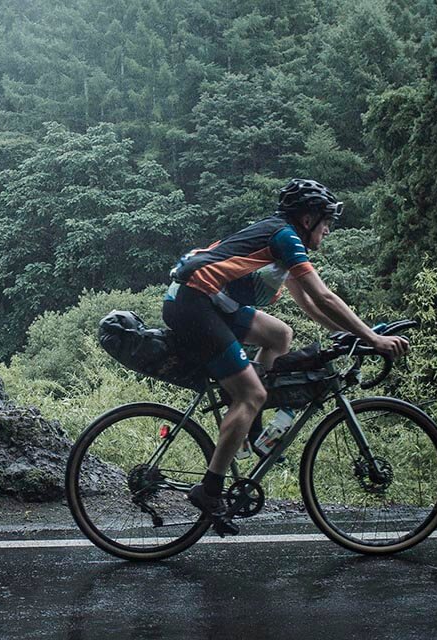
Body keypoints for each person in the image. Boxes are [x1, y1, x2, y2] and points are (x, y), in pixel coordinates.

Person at [162, 178, 409, 535]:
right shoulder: (285, 237)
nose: (328, 230)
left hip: (209, 300)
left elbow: (308, 303)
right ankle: (210, 490)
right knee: (251, 394)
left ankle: (247, 424)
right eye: (326, 222)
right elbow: (324, 297)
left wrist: (350, 334)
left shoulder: (282, 239)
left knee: (280, 335)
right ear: (308, 219)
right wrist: (372, 337)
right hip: (194, 303)